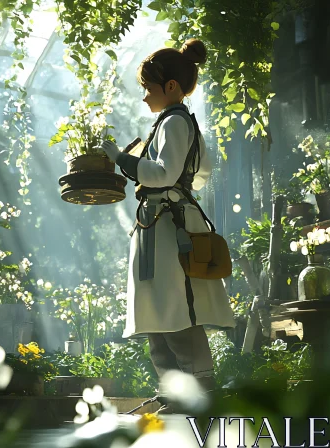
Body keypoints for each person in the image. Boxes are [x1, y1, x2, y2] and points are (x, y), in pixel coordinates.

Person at [98, 38, 235, 393]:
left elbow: (163, 174)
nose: (144, 96)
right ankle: (177, 392)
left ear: (170, 86)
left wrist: (121, 158)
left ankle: (198, 392)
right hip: (164, 222)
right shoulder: (179, 122)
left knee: (174, 309)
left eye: (147, 88)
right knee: (160, 310)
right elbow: (201, 173)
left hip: (167, 227)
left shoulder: (173, 123)